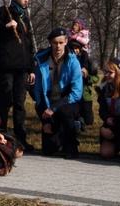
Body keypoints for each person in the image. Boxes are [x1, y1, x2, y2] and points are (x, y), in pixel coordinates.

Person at [0, 0, 36, 151]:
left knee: (20, 104)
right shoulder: (5, 12)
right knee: (5, 101)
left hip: (22, 67)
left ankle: (21, 138)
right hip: (8, 66)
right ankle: (1, 134)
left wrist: (31, 69)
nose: (26, 1)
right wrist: (5, 26)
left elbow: (29, 45)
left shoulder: (24, 17)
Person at [34, 28, 83, 159]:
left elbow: (77, 93)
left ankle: (72, 145)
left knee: (65, 112)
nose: (58, 46)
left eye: (61, 42)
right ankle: (63, 131)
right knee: (48, 149)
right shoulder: (41, 61)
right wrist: (45, 121)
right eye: (55, 42)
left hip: (68, 102)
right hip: (50, 103)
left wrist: (54, 108)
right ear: (50, 43)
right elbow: (38, 93)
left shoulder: (73, 61)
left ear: (66, 42)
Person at [96, 58, 120, 159]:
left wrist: (118, 123)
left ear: (118, 72)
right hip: (111, 123)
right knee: (105, 153)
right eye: (105, 72)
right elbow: (102, 110)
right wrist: (106, 118)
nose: (106, 75)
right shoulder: (104, 89)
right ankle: (115, 148)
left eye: (110, 72)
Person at [68, 40, 98, 129]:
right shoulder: (67, 61)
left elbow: (96, 78)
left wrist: (87, 76)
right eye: (72, 49)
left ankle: (84, 122)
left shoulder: (88, 62)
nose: (75, 51)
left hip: (85, 94)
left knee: (89, 120)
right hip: (73, 92)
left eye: (76, 48)